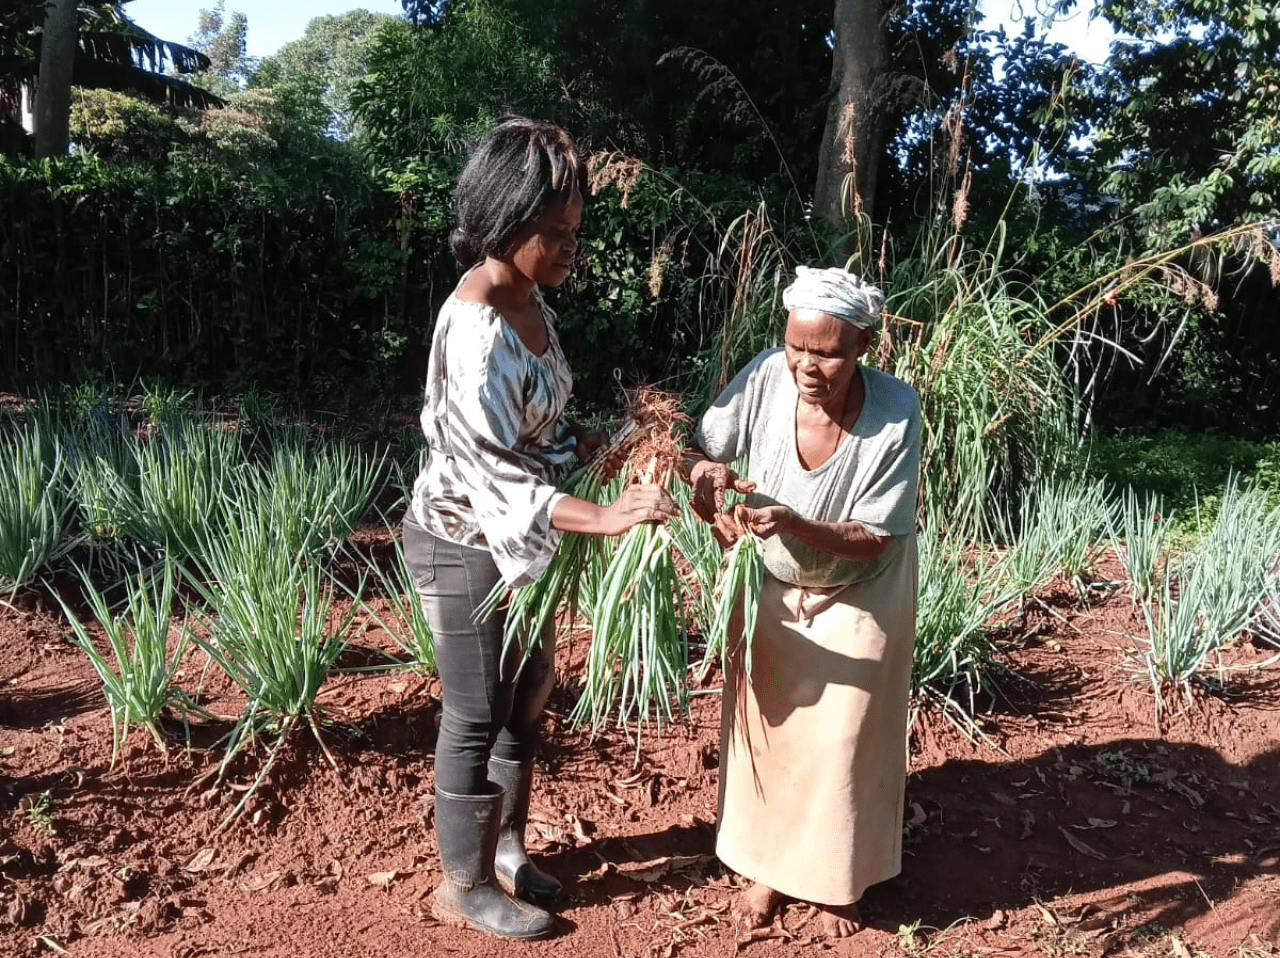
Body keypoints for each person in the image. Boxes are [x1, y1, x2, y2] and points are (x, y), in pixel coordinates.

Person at [401, 117, 678, 941]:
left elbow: (540, 432)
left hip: (526, 540)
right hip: (463, 540)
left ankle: (509, 849)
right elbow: (492, 473)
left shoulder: (532, 304)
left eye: (573, 233)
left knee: (528, 694)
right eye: (554, 234)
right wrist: (604, 515)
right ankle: (464, 883)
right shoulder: (476, 329)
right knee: (475, 708)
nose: (569, 249)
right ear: (503, 224)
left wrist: (601, 447)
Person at [680, 266, 921, 938]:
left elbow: (873, 538)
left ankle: (838, 881)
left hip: (863, 588)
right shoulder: (763, 377)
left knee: (845, 740)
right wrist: (706, 478)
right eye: (797, 347)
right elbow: (697, 452)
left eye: (829, 352)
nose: (808, 366)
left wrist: (791, 522)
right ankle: (771, 867)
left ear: (865, 345)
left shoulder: (896, 411)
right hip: (774, 581)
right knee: (773, 729)